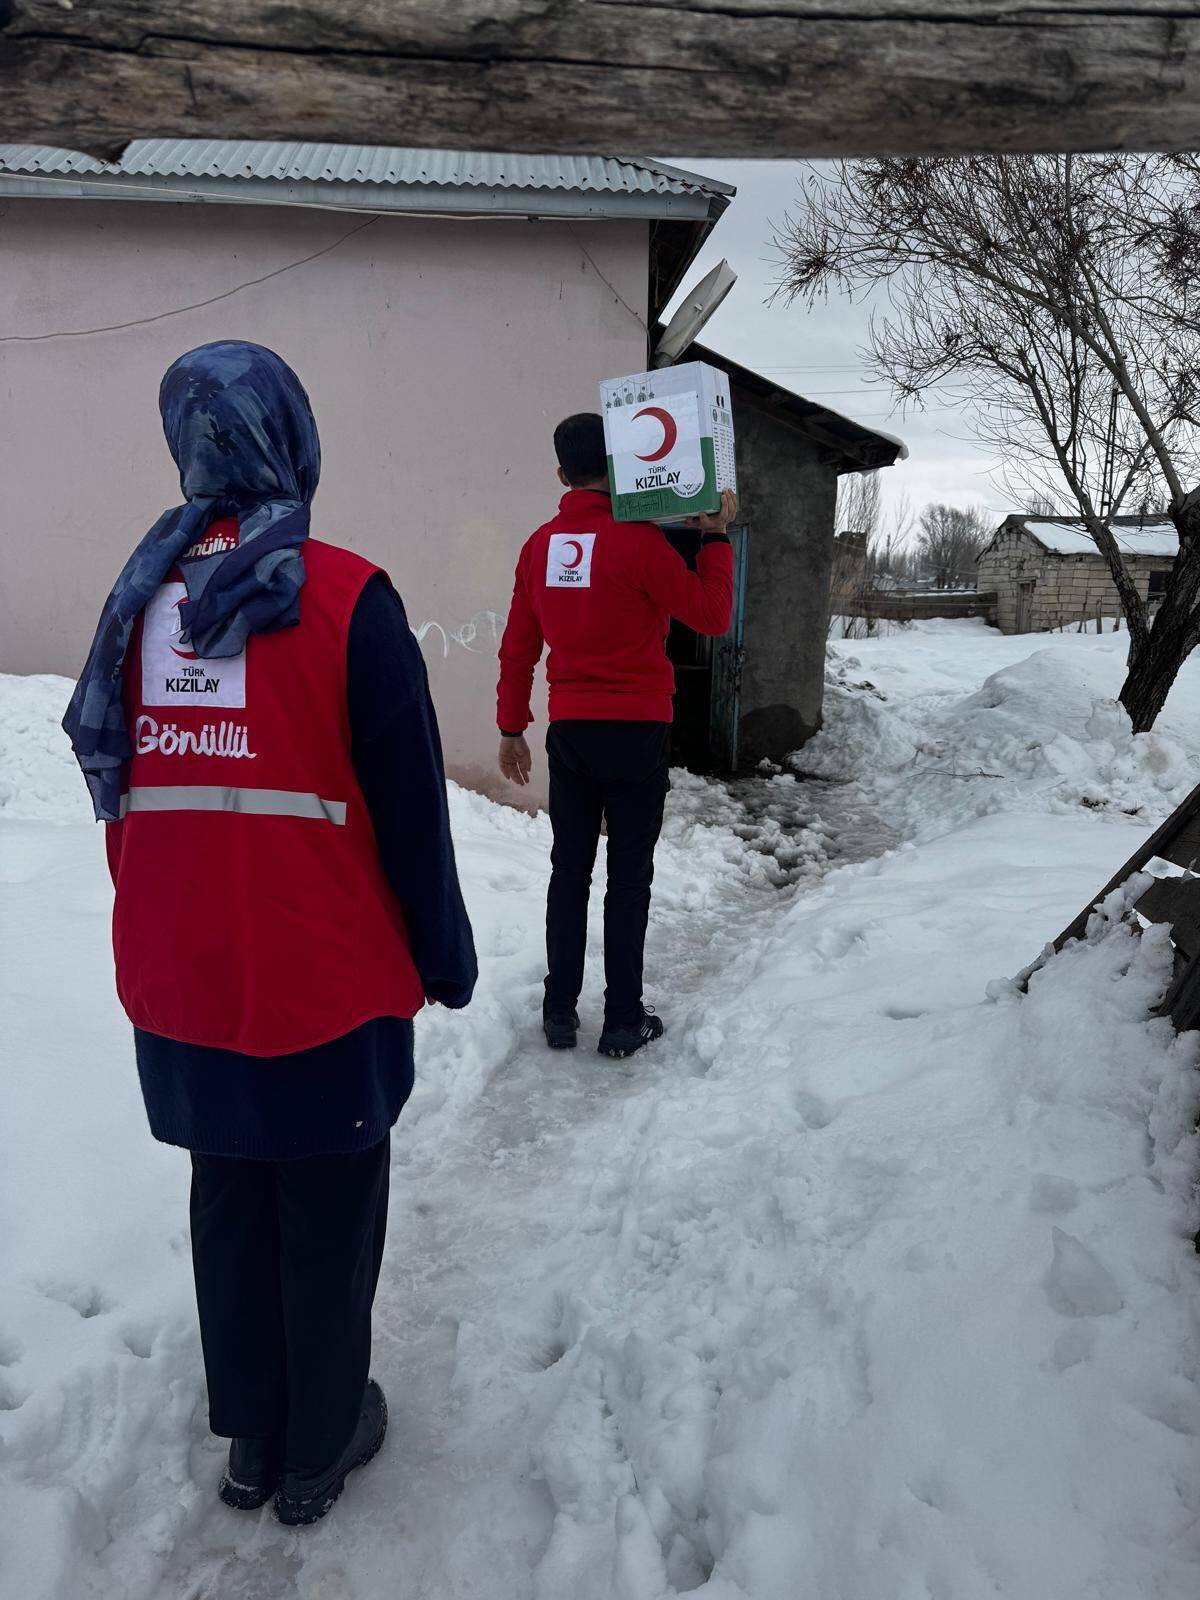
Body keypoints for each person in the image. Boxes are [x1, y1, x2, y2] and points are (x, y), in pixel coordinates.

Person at [62, 341, 476, 1526]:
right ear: (289, 433)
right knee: (328, 1214)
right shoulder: (347, 600)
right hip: (323, 987)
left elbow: (126, 795)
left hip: (185, 981)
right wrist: (443, 957)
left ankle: (251, 1435)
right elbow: (412, 817)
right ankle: (316, 1443)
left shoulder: (133, 606)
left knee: (228, 1203)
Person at [495, 411, 736, 1058]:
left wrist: (511, 727)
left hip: (569, 731)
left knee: (567, 872)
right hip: (636, 731)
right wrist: (715, 539)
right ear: (622, 468)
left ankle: (558, 1012)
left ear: (560, 473)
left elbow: (518, 649)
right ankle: (622, 1021)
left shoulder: (539, 547)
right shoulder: (638, 544)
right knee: (629, 877)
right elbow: (712, 616)